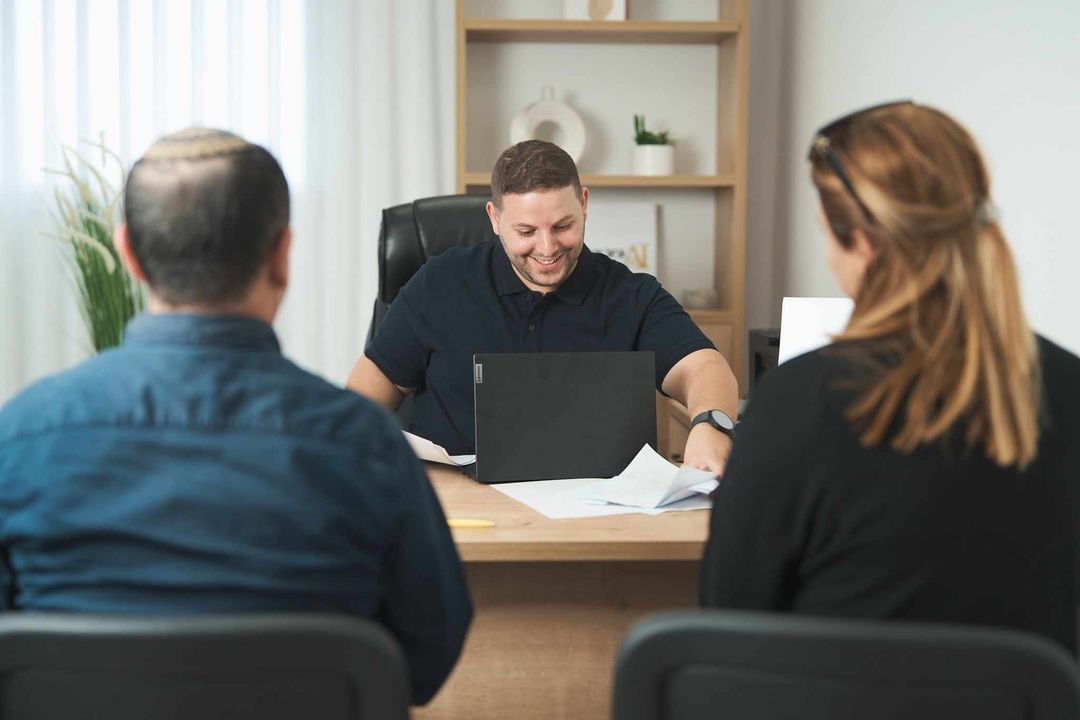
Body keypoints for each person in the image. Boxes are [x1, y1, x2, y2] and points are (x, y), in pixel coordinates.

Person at [0, 128, 471, 704]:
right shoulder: (366, 444)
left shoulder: (22, 436)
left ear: (128, 254)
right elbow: (425, 661)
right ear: (281, 255)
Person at [700, 101, 1080, 652]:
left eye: (826, 234)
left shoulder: (795, 404)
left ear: (863, 242)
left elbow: (726, 627)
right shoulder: (1069, 390)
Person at [348, 140, 739, 473]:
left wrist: (710, 424)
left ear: (584, 204)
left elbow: (704, 366)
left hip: (595, 515)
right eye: (526, 232)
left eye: (562, 226)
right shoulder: (440, 283)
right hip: (455, 506)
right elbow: (364, 396)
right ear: (495, 218)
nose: (548, 248)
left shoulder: (629, 294)